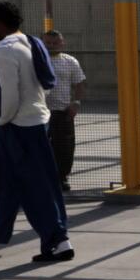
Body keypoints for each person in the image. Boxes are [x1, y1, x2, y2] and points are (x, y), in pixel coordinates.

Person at [0, 1, 73, 264]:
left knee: (32, 186)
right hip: (39, 120)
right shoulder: (32, 43)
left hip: (18, 125)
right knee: (21, 181)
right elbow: (45, 83)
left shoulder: (5, 51)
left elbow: (9, 93)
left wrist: (4, 120)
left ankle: (58, 242)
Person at [43, 29, 85, 192]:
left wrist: (76, 103)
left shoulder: (70, 61)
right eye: (48, 43)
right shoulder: (35, 60)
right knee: (40, 147)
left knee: (65, 148)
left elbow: (80, 83)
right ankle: (41, 178)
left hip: (62, 111)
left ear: (62, 43)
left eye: (55, 43)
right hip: (40, 113)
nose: (52, 46)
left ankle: (62, 177)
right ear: (42, 43)